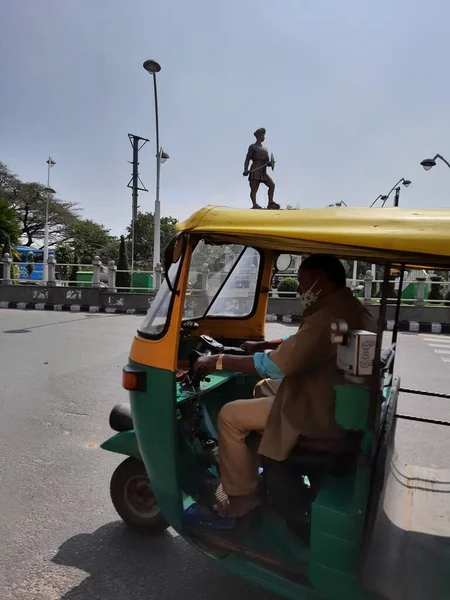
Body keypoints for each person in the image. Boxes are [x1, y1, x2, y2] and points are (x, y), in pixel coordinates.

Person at [193, 254, 377, 519]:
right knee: (262, 388)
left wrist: (217, 361)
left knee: (230, 416)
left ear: (321, 281)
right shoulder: (347, 308)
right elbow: (308, 343)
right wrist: (265, 344)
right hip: (328, 395)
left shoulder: (328, 315)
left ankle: (244, 496)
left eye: (303, 283)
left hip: (317, 410)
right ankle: (251, 465)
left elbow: (276, 366)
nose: (301, 290)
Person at [243, 128, 280, 210]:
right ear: (259, 136)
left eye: (264, 135)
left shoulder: (265, 149)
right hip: (255, 169)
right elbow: (247, 159)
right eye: (263, 135)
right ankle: (254, 204)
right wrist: (245, 169)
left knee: (272, 185)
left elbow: (267, 163)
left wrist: (270, 163)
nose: (264, 137)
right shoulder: (252, 147)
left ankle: (270, 202)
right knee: (254, 188)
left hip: (263, 171)